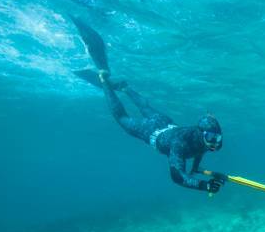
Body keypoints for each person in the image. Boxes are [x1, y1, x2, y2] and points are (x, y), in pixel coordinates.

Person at [71, 16, 225, 193]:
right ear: (201, 134)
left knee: (145, 107)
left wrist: (197, 170)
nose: (214, 143)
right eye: (212, 139)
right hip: (150, 131)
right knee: (121, 117)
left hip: (165, 122)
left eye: (217, 138)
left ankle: (125, 87)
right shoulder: (180, 145)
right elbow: (177, 176)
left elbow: (200, 150)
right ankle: (104, 79)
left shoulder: (203, 139)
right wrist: (204, 185)